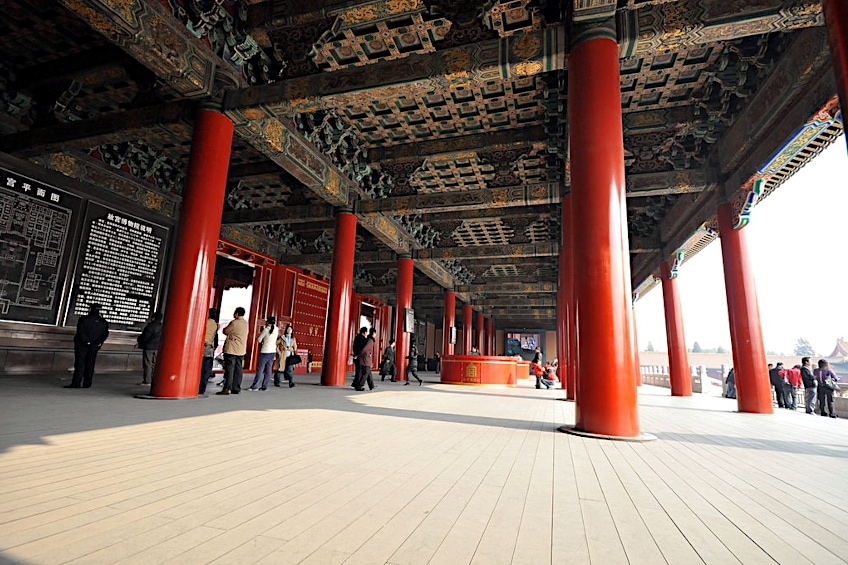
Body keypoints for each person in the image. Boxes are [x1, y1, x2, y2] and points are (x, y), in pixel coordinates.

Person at [65, 304, 109, 389]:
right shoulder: (103, 321)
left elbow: (80, 331)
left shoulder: (83, 319)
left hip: (82, 345)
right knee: (90, 364)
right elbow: (105, 334)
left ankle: (76, 383)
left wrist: (87, 341)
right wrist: (98, 342)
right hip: (95, 346)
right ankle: (87, 383)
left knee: (79, 364)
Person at [217, 307, 247, 395]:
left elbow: (225, 331)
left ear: (236, 313)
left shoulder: (234, 322)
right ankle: (236, 388)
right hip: (241, 350)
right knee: (238, 369)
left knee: (229, 369)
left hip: (232, 349)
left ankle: (227, 388)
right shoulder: (245, 323)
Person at [249, 316, 278, 391]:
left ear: (267, 322)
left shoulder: (266, 330)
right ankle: (265, 386)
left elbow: (259, 340)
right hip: (272, 351)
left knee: (260, 369)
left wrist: (260, 340)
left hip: (265, 351)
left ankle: (255, 386)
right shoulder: (276, 329)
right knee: (268, 370)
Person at [136, 311, 162, 385]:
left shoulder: (150, 326)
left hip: (149, 347)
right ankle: (154, 379)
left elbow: (145, 337)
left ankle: (147, 380)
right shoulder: (162, 326)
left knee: (147, 363)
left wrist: (139, 342)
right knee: (155, 364)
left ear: (153, 318)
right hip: (157, 347)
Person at [199, 308, 219, 395]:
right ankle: (202, 388)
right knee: (206, 369)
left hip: (201, 346)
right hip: (209, 348)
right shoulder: (216, 325)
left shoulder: (204, 322)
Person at [275, 323, 298, 388]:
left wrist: (288, 348)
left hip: (289, 357)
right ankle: (277, 382)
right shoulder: (282, 337)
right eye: (288, 329)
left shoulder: (293, 339)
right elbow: (275, 344)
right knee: (279, 369)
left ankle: (291, 383)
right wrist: (278, 352)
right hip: (282, 355)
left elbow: (295, 348)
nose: (289, 330)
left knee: (290, 370)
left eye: (290, 329)